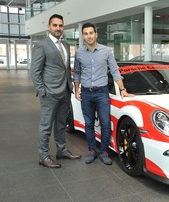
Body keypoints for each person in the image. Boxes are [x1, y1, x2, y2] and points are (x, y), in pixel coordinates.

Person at [73, 23, 133, 165]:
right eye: (86, 33)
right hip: (86, 93)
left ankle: (104, 151)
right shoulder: (79, 53)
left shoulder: (106, 51)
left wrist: (123, 89)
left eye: (91, 33)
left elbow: (114, 71)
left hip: (102, 93)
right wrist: (77, 90)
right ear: (83, 36)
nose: (89, 36)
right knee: (89, 124)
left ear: (96, 34)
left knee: (105, 123)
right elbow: (77, 73)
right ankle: (92, 150)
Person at [30, 14, 81, 169]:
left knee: (60, 124)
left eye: (60, 25)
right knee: (46, 126)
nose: (58, 28)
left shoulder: (65, 45)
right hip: (49, 93)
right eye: (55, 25)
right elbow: (35, 71)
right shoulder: (42, 45)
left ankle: (62, 150)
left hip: (65, 91)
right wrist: (42, 91)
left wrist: (70, 86)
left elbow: (65, 68)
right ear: (49, 27)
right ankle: (43, 156)